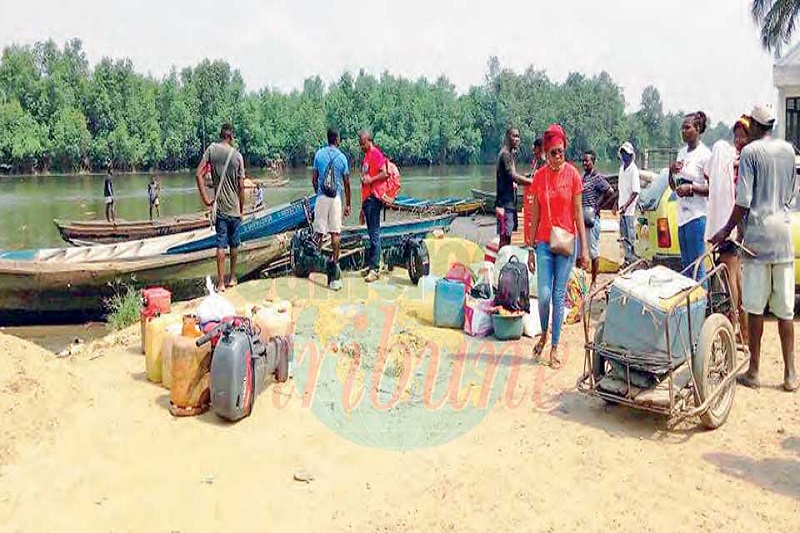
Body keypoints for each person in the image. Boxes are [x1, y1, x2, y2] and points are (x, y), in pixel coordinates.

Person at [710, 104, 797, 392]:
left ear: (756, 128)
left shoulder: (750, 153)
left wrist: (725, 229)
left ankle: (755, 371)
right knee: (785, 312)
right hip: (784, 238)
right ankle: (790, 374)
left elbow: (743, 201)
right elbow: (790, 191)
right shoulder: (789, 150)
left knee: (756, 309)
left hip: (759, 240)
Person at [527, 124, 589, 368]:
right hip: (543, 242)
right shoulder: (539, 177)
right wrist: (530, 247)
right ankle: (543, 333)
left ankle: (554, 347)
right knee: (543, 296)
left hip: (566, 243)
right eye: (553, 152)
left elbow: (578, 213)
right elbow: (535, 213)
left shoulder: (573, 175)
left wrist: (584, 249)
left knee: (558, 295)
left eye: (561, 151)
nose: (558, 156)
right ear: (545, 153)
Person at [702, 116, 752, 342]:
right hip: (735, 223)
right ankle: (742, 328)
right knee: (737, 275)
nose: (739, 140)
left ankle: (734, 322)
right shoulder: (735, 160)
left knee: (731, 273)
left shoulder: (743, 162)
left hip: (735, 223)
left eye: (743, 136)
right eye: (737, 136)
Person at [194, 123, 246, 293]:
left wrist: (206, 199)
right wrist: (242, 209)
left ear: (221, 135)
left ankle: (221, 283)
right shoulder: (237, 156)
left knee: (220, 245)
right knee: (235, 245)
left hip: (220, 208)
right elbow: (241, 187)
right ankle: (232, 278)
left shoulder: (211, 150)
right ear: (231, 137)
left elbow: (198, 174)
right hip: (234, 208)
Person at [670, 111, 712, 281]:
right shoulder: (681, 153)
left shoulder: (705, 155)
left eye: (687, 128)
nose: (683, 131)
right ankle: (690, 305)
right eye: (682, 128)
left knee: (696, 266)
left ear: (698, 128)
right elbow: (673, 185)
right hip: (682, 217)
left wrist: (691, 188)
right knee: (686, 266)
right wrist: (671, 171)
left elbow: (712, 188)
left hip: (697, 217)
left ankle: (701, 305)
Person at [312, 128, 352, 291]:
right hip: (335, 198)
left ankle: (317, 264)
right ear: (337, 139)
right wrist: (348, 203)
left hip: (321, 197)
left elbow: (314, 179)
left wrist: (318, 193)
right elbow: (347, 183)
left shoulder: (319, 155)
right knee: (335, 233)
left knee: (319, 233)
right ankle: (334, 263)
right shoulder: (342, 157)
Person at [579, 150, 613, 286]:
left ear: (593, 162)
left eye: (587, 161)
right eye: (583, 161)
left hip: (592, 219)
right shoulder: (584, 177)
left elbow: (610, 192)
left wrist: (598, 207)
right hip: (583, 217)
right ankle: (581, 280)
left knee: (593, 252)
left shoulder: (597, 178)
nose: (584, 163)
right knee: (581, 250)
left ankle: (594, 281)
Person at [358, 130, 388, 283]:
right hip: (367, 200)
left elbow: (385, 173)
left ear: (368, 140)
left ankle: (375, 269)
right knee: (371, 234)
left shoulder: (375, 154)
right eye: (359, 143)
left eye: (362, 143)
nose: (360, 146)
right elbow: (364, 182)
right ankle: (373, 265)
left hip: (374, 199)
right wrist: (362, 208)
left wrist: (371, 179)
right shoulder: (366, 156)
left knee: (374, 234)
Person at [496, 128, 532, 248]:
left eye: (518, 136)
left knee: (507, 236)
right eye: (514, 136)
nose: (517, 139)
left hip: (509, 202)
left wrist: (524, 177)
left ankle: (503, 262)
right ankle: (502, 264)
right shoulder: (505, 154)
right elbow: (512, 176)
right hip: (505, 203)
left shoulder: (509, 154)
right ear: (507, 137)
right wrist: (531, 182)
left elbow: (511, 175)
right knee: (505, 238)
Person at [615, 142, 640, 265]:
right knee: (623, 234)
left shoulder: (633, 170)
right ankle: (627, 258)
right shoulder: (622, 169)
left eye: (627, 154)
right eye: (623, 153)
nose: (625, 156)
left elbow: (635, 191)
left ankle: (631, 259)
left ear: (631, 155)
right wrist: (618, 204)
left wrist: (626, 206)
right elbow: (620, 189)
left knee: (630, 235)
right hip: (622, 207)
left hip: (629, 210)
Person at [523, 137, 545, 244]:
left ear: (540, 148)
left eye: (535, 149)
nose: (533, 152)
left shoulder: (544, 161)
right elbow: (534, 174)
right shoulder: (537, 161)